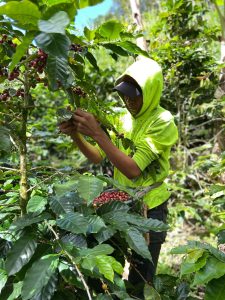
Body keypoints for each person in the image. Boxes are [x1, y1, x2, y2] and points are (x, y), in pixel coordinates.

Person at [59, 56, 178, 294]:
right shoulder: (120, 117)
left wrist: (99, 133)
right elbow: (97, 156)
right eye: (124, 95)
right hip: (119, 204)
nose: (128, 101)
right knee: (108, 272)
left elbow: (133, 169)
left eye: (134, 95)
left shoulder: (162, 122)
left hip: (150, 207)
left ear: (151, 90)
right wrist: (76, 135)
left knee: (140, 278)